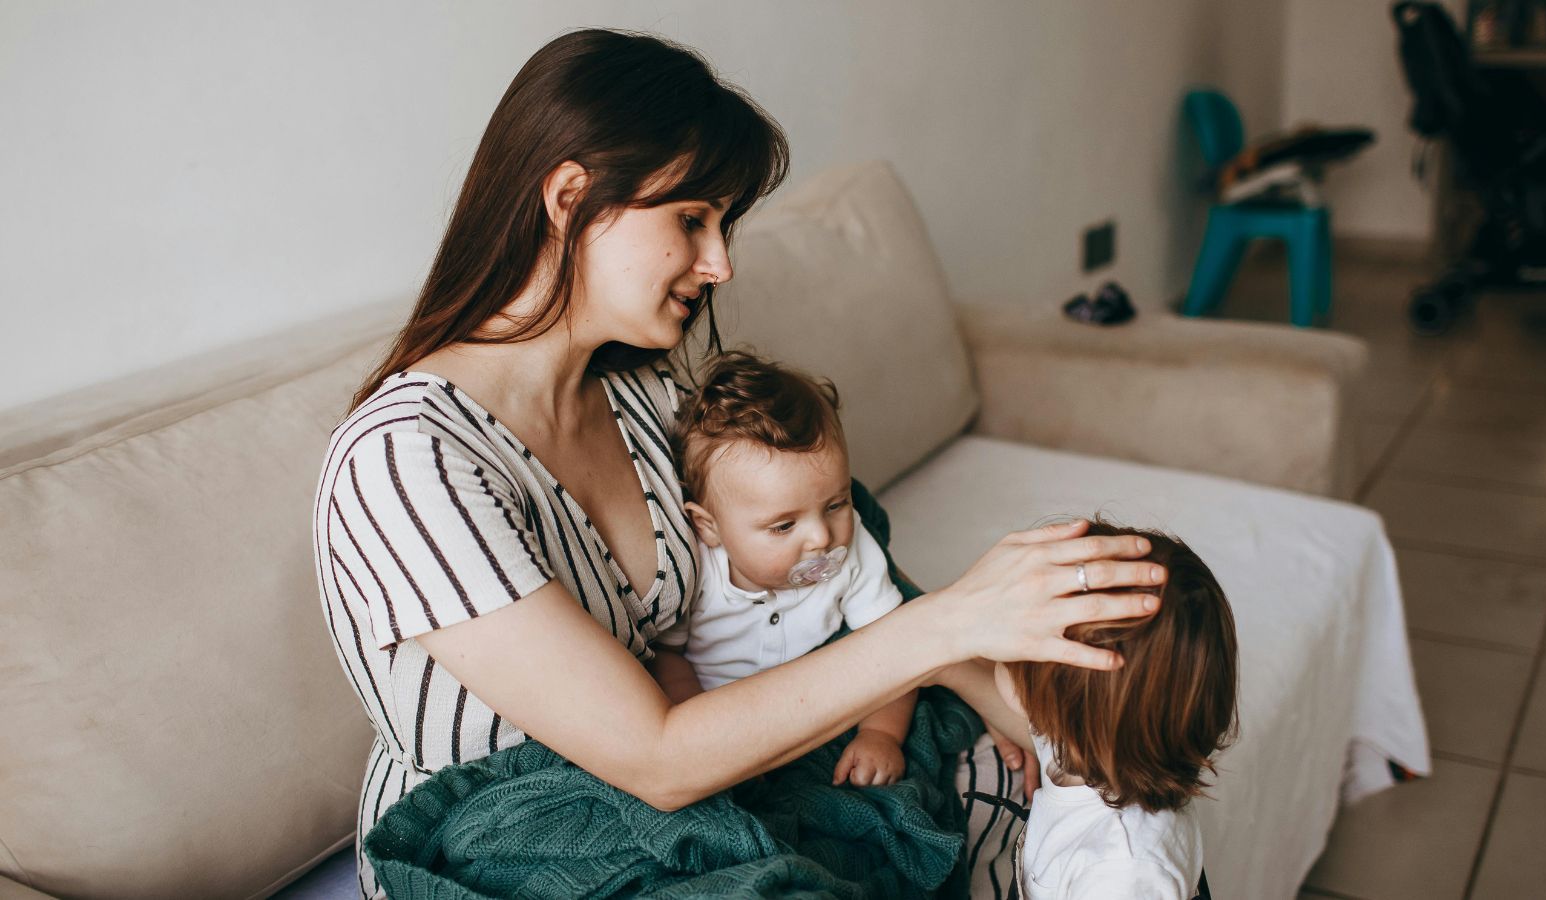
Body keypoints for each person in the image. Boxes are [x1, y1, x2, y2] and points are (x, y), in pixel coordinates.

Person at [312, 28, 1165, 899]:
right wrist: (948, 625)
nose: (720, 264)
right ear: (569, 198)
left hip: (686, 794)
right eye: (692, 220)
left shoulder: (642, 396)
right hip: (513, 838)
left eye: (723, 226)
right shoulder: (408, 459)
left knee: (1065, 801)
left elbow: (832, 551)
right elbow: (656, 757)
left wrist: (995, 693)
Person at [653, 351, 918, 788]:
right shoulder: (695, 571)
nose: (821, 538)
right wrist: (709, 745)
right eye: (783, 526)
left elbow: (898, 648)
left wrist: (881, 734)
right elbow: (668, 658)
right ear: (709, 527)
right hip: (723, 719)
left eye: (836, 504)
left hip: (819, 711)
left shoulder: (853, 549)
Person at [995, 521, 1238, 900]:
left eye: (1022, 640)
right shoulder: (1090, 747)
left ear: (1063, 710)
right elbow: (1005, 704)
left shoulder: (1124, 870)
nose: (1001, 640)